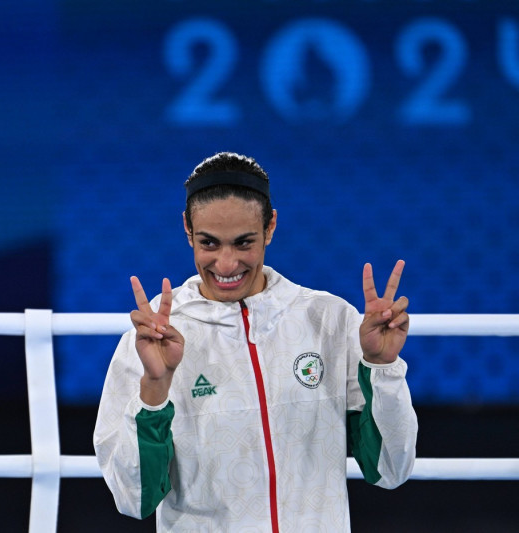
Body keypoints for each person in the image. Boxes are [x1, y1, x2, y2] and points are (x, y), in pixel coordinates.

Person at [94, 152, 418, 532]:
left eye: (243, 243)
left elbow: (390, 469)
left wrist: (381, 369)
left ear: (270, 227)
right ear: (187, 229)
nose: (226, 264)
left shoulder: (330, 320)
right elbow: (134, 499)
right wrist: (154, 389)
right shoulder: (153, 338)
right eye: (209, 244)